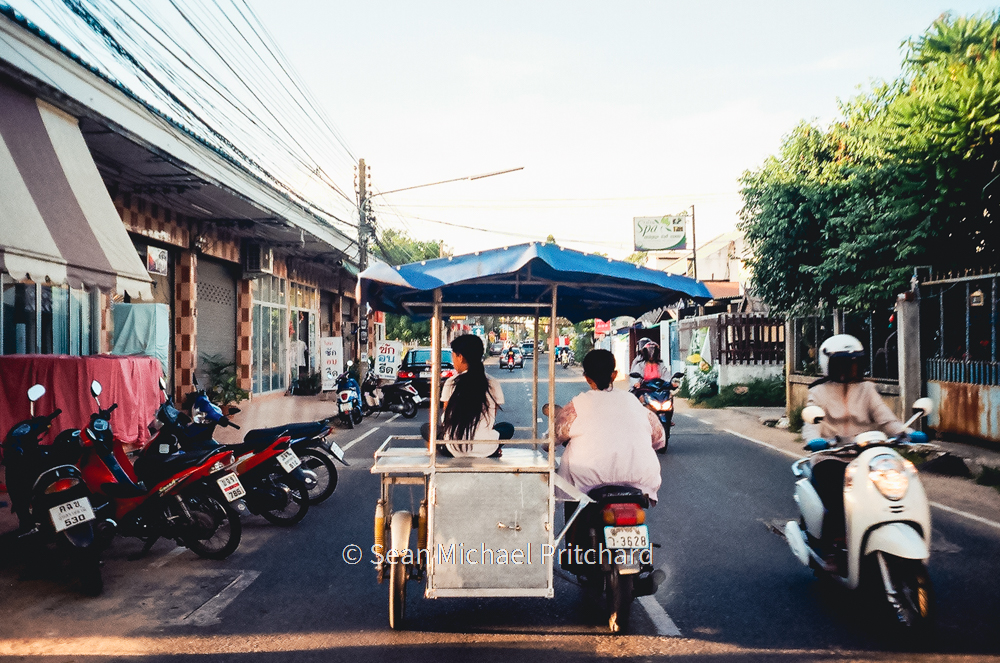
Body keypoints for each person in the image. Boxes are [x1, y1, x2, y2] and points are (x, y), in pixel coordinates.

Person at [801, 334, 926, 561]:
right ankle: (834, 544)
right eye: (843, 362)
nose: (849, 367)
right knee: (837, 495)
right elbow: (811, 422)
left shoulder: (867, 389)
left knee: (897, 483)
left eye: (854, 362)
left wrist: (907, 433)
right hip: (832, 456)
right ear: (829, 364)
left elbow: (886, 420)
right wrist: (813, 441)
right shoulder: (818, 391)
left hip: (867, 455)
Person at [549, 349, 665, 503]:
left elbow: (555, 436)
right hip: (641, 482)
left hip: (587, 485)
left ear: (586, 378)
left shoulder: (576, 406)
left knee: (571, 492)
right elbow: (659, 438)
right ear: (615, 375)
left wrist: (547, 443)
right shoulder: (633, 401)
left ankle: (575, 526)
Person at [432, 334, 510, 457]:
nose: (453, 361)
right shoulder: (492, 382)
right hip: (486, 448)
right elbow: (492, 418)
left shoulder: (451, 382)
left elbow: (446, 417)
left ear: (461, 357)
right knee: (507, 428)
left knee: (428, 428)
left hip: (453, 449)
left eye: (453, 356)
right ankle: (495, 449)